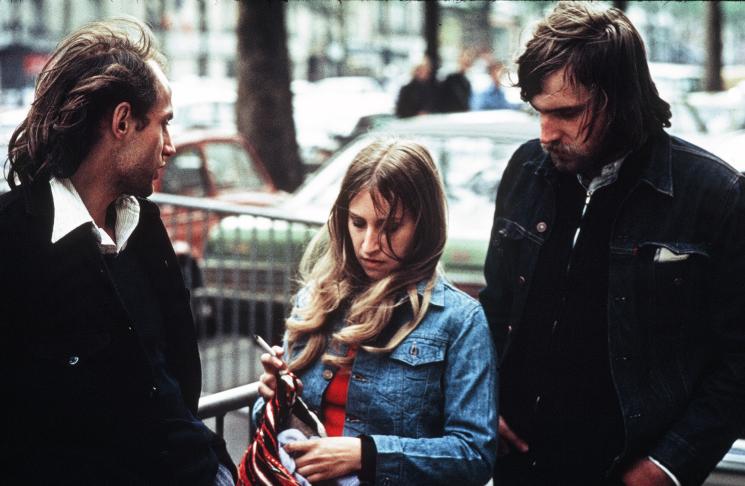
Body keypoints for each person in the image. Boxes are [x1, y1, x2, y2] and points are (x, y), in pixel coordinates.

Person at [480, 2, 745, 486]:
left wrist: (666, 467)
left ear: (619, 99)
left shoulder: (716, 196)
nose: (546, 133)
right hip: (516, 465)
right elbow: (496, 308)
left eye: (566, 113)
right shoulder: (526, 170)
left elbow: (739, 364)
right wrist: (481, 405)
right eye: (538, 112)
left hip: (627, 470)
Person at [0, 19, 235, 485]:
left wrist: (218, 466)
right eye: (164, 124)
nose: (170, 146)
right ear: (122, 122)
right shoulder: (12, 238)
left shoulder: (143, 224)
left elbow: (171, 380)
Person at [254, 139, 498, 485]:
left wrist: (365, 455)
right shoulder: (317, 297)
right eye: (358, 223)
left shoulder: (460, 320)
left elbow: (474, 455)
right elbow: (269, 432)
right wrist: (274, 400)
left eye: (390, 227)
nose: (370, 245)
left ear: (423, 225)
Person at [437, 49, 474, 113]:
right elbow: (441, 99)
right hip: (449, 115)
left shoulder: (467, 82)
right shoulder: (450, 79)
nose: (465, 65)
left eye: (467, 63)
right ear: (459, 61)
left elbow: (466, 103)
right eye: (464, 62)